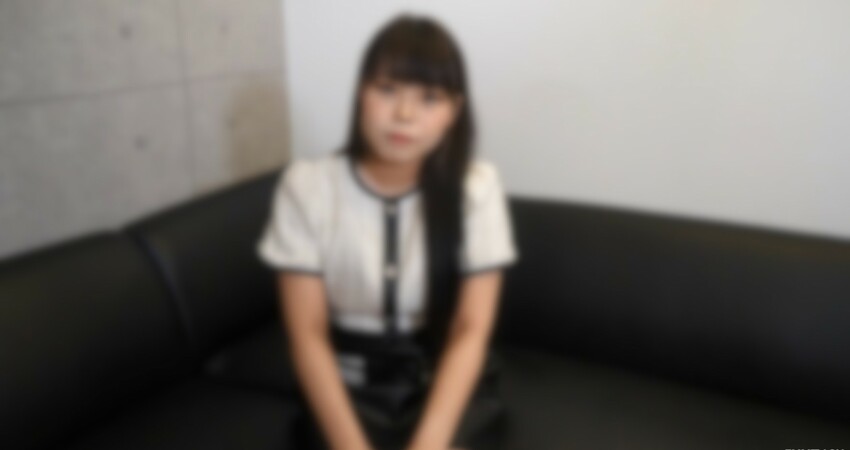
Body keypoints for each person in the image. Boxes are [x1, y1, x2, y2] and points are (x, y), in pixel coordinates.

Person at [255, 12, 519, 450]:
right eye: (387, 89)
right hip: (346, 389)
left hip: (445, 385)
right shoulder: (307, 187)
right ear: (361, 93)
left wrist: (430, 443)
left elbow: (471, 329)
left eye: (430, 97)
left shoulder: (477, 188)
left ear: (454, 112)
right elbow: (308, 334)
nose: (404, 114)